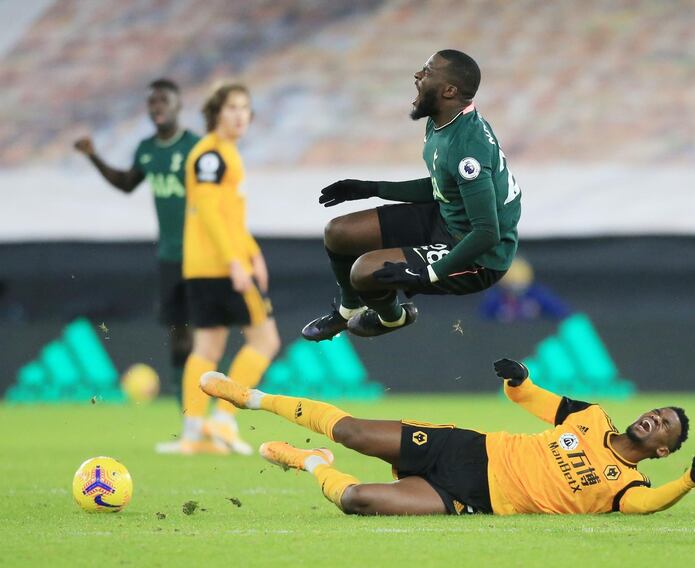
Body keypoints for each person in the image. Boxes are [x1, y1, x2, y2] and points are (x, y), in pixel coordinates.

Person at [198, 358, 695, 515]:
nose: (653, 418)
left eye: (664, 425)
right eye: (656, 412)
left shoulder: (626, 486)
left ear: (663, 449)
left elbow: (648, 506)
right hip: (467, 448)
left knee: (356, 499)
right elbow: (534, 400)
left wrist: (689, 481)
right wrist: (519, 380)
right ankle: (251, 398)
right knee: (354, 431)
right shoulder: (591, 417)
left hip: (471, 496)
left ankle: (309, 462)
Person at [302, 49, 522, 341]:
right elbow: (443, 187)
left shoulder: (468, 147)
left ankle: (393, 318)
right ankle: (348, 310)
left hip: (478, 255)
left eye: (427, 72)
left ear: (449, 90)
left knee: (363, 272)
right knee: (339, 232)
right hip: (448, 218)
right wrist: (372, 188)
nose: (418, 76)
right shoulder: (443, 121)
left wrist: (428, 274)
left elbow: (487, 232)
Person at [156, 83, 281, 455]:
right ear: (215, 113)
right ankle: (222, 419)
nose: (240, 115)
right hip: (220, 267)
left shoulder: (223, 153)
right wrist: (234, 261)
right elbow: (209, 212)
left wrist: (253, 253)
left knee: (207, 347)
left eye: (245, 108)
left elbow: (230, 217)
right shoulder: (211, 155)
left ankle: (195, 433)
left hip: (207, 265)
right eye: (232, 108)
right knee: (264, 340)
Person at [74, 78, 200, 399]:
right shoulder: (146, 150)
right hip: (170, 256)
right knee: (179, 334)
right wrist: (94, 157)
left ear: (178, 105)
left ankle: (215, 404)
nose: (156, 106)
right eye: (152, 101)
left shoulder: (196, 148)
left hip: (203, 255)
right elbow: (128, 183)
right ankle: (184, 408)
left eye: (163, 100)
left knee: (207, 333)